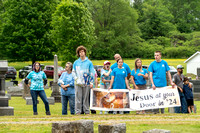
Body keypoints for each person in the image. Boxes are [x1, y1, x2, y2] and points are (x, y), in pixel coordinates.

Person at [72, 46, 95, 115]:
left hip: (86, 82)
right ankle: (78, 111)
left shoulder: (89, 62)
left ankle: (86, 110)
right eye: (80, 52)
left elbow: (92, 72)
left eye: (82, 51)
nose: (81, 53)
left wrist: (91, 82)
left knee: (86, 97)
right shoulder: (76, 62)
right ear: (78, 54)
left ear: (85, 52)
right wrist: (76, 79)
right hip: (78, 83)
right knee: (78, 97)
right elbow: (73, 72)